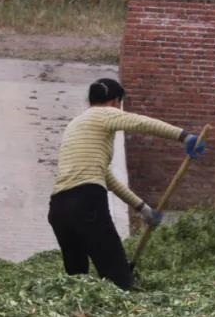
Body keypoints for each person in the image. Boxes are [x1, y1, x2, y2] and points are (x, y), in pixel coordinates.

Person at [48, 78, 206, 289]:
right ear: (115, 102)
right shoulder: (105, 114)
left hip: (59, 208)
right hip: (86, 201)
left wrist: (143, 208)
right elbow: (140, 122)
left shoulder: (76, 124)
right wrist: (184, 136)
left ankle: (80, 313)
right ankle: (127, 305)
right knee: (115, 271)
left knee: (77, 278)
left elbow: (107, 177)